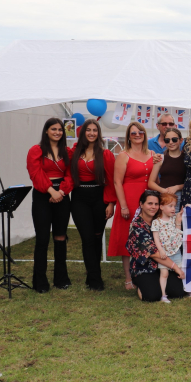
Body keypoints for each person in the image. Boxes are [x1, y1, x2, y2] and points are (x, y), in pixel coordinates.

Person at [26, 118, 74, 293]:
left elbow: (71, 174)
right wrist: (50, 191)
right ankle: (40, 282)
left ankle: (61, 279)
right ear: (46, 131)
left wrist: (61, 191)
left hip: (62, 195)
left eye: (60, 129)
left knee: (60, 236)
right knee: (42, 239)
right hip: (42, 196)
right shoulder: (36, 150)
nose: (57, 132)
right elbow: (35, 173)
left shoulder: (67, 151)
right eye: (53, 129)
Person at [69, 118, 115, 291]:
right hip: (79, 197)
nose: (92, 133)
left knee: (97, 236)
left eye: (95, 130)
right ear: (83, 132)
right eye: (88, 130)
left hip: (99, 196)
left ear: (98, 133)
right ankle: (95, 279)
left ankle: (93, 274)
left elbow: (110, 180)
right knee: (87, 238)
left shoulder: (105, 154)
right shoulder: (75, 152)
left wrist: (111, 203)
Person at [110, 121, 157, 291]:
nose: (137, 135)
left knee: (149, 237)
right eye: (133, 133)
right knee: (127, 238)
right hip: (129, 200)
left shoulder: (153, 153)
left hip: (149, 200)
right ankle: (128, 278)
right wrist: (123, 205)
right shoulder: (124, 155)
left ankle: (147, 273)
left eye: (140, 132)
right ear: (128, 137)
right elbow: (117, 182)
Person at [126, 190, 188, 302]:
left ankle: (157, 285)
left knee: (177, 292)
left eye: (156, 204)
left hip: (164, 264)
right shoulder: (137, 226)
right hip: (145, 266)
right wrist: (176, 267)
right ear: (141, 204)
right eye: (150, 203)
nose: (153, 207)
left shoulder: (160, 219)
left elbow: (177, 218)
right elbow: (154, 253)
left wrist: (188, 210)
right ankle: (140, 285)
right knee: (152, 296)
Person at [151, 193, 186, 303]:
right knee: (164, 273)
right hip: (164, 254)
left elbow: (177, 230)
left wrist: (178, 221)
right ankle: (163, 295)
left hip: (175, 251)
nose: (173, 209)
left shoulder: (174, 218)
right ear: (161, 207)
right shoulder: (156, 222)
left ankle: (188, 289)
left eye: (174, 206)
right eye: (170, 206)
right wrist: (160, 250)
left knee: (181, 270)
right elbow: (155, 238)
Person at [148, 127, 185, 211]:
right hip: (163, 198)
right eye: (167, 140)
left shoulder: (186, 158)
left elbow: (190, 181)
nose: (171, 142)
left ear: (181, 140)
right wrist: (164, 191)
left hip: (181, 197)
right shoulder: (160, 158)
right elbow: (151, 182)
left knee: (178, 223)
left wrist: (177, 187)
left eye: (174, 139)